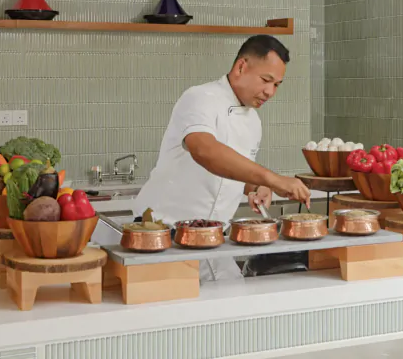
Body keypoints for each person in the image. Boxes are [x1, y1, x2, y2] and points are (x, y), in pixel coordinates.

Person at [133, 35, 312, 281]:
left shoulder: (253, 122)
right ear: (241, 67)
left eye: (277, 85)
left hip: (214, 241)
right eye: (266, 80)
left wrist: (256, 186)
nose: (270, 92)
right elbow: (205, 151)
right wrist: (272, 179)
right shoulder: (200, 98)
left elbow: (233, 171)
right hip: (162, 236)